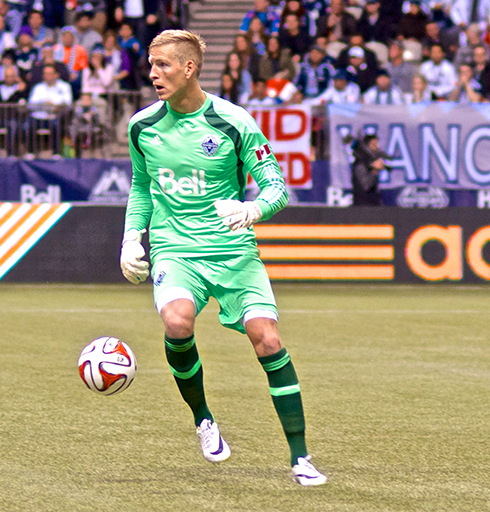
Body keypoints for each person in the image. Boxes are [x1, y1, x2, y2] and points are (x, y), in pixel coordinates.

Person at [120, 29, 326, 487]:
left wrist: (253, 209)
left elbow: (277, 187)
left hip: (233, 250)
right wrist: (133, 236)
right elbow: (141, 187)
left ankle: (300, 457)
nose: (153, 74)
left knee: (267, 340)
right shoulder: (142, 126)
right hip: (176, 248)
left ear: (189, 68)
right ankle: (203, 418)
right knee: (176, 323)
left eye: (163, 66)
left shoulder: (234, 122)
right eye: (151, 66)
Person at [351, 133, 386, 205]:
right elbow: (366, 185)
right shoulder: (360, 164)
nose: (377, 147)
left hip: (373, 204)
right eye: (374, 144)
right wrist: (374, 170)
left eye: (377, 144)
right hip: (363, 206)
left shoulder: (371, 161)